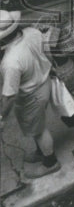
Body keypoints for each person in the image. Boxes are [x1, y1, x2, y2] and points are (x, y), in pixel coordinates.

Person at [0, 11, 61, 179]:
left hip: (31, 96)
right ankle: (41, 152)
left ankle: (51, 162)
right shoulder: (32, 33)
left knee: (39, 131)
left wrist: (1, 117)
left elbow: (9, 96)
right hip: (44, 82)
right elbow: (47, 51)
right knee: (36, 126)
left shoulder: (10, 62)